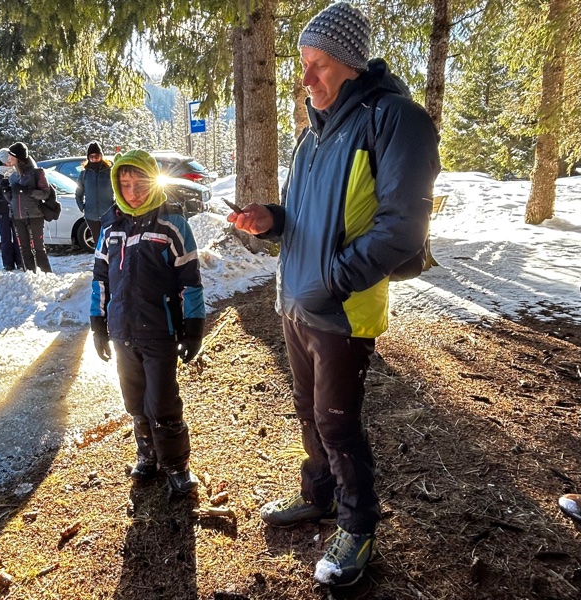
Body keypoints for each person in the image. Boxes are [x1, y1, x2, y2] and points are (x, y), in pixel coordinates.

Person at [228, 2, 440, 587]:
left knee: (337, 424)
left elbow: (403, 228)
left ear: (351, 63)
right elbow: (304, 218)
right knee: (308, 412)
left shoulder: (394, 120)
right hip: (296, 303)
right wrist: (270, 221)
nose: (306, 77)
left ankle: (357, 525)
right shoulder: (313, 134)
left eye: (318, 64)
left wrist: (332, 278)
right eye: (303, 63)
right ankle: (317, 496)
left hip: (343, 308)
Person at [90, 149, 206, 495]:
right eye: (125, 185)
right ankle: (148, 455)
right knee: (135, 400)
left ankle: (176, 465)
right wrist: (98, 325)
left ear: (152, 181)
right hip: (122, 331)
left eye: (139, 184)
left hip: (160, 330)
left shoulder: (172, 224)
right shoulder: (111, 226)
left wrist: (193, 328)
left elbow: (190, 281)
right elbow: (100, 279)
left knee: (163, 402)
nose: (133, 193)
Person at [5, 141, 52, 273]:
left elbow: (45, 194)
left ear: (18, 157)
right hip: (17, 216)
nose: (9, 159)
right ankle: (30, 275)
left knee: (38, 248)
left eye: (11, 156)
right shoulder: (13, 176)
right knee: (24, 248)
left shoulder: (37, 173)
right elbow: (12, 200)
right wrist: (6, 191)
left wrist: (27, 191)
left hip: (35, 215)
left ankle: (47, 275)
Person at [75, 140, 114, 245]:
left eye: (97, 156)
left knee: (110, 242)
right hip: (91, 216)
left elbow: (117, 191)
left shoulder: (109, 172)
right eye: (91, 157)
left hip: (108, 214)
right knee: (98, 243)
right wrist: (83, 208)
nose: (94, 159)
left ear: (101, 156)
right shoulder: (84, 174)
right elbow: (78, 194)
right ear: (88, 158)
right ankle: (99, 256)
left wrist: (114, 207)